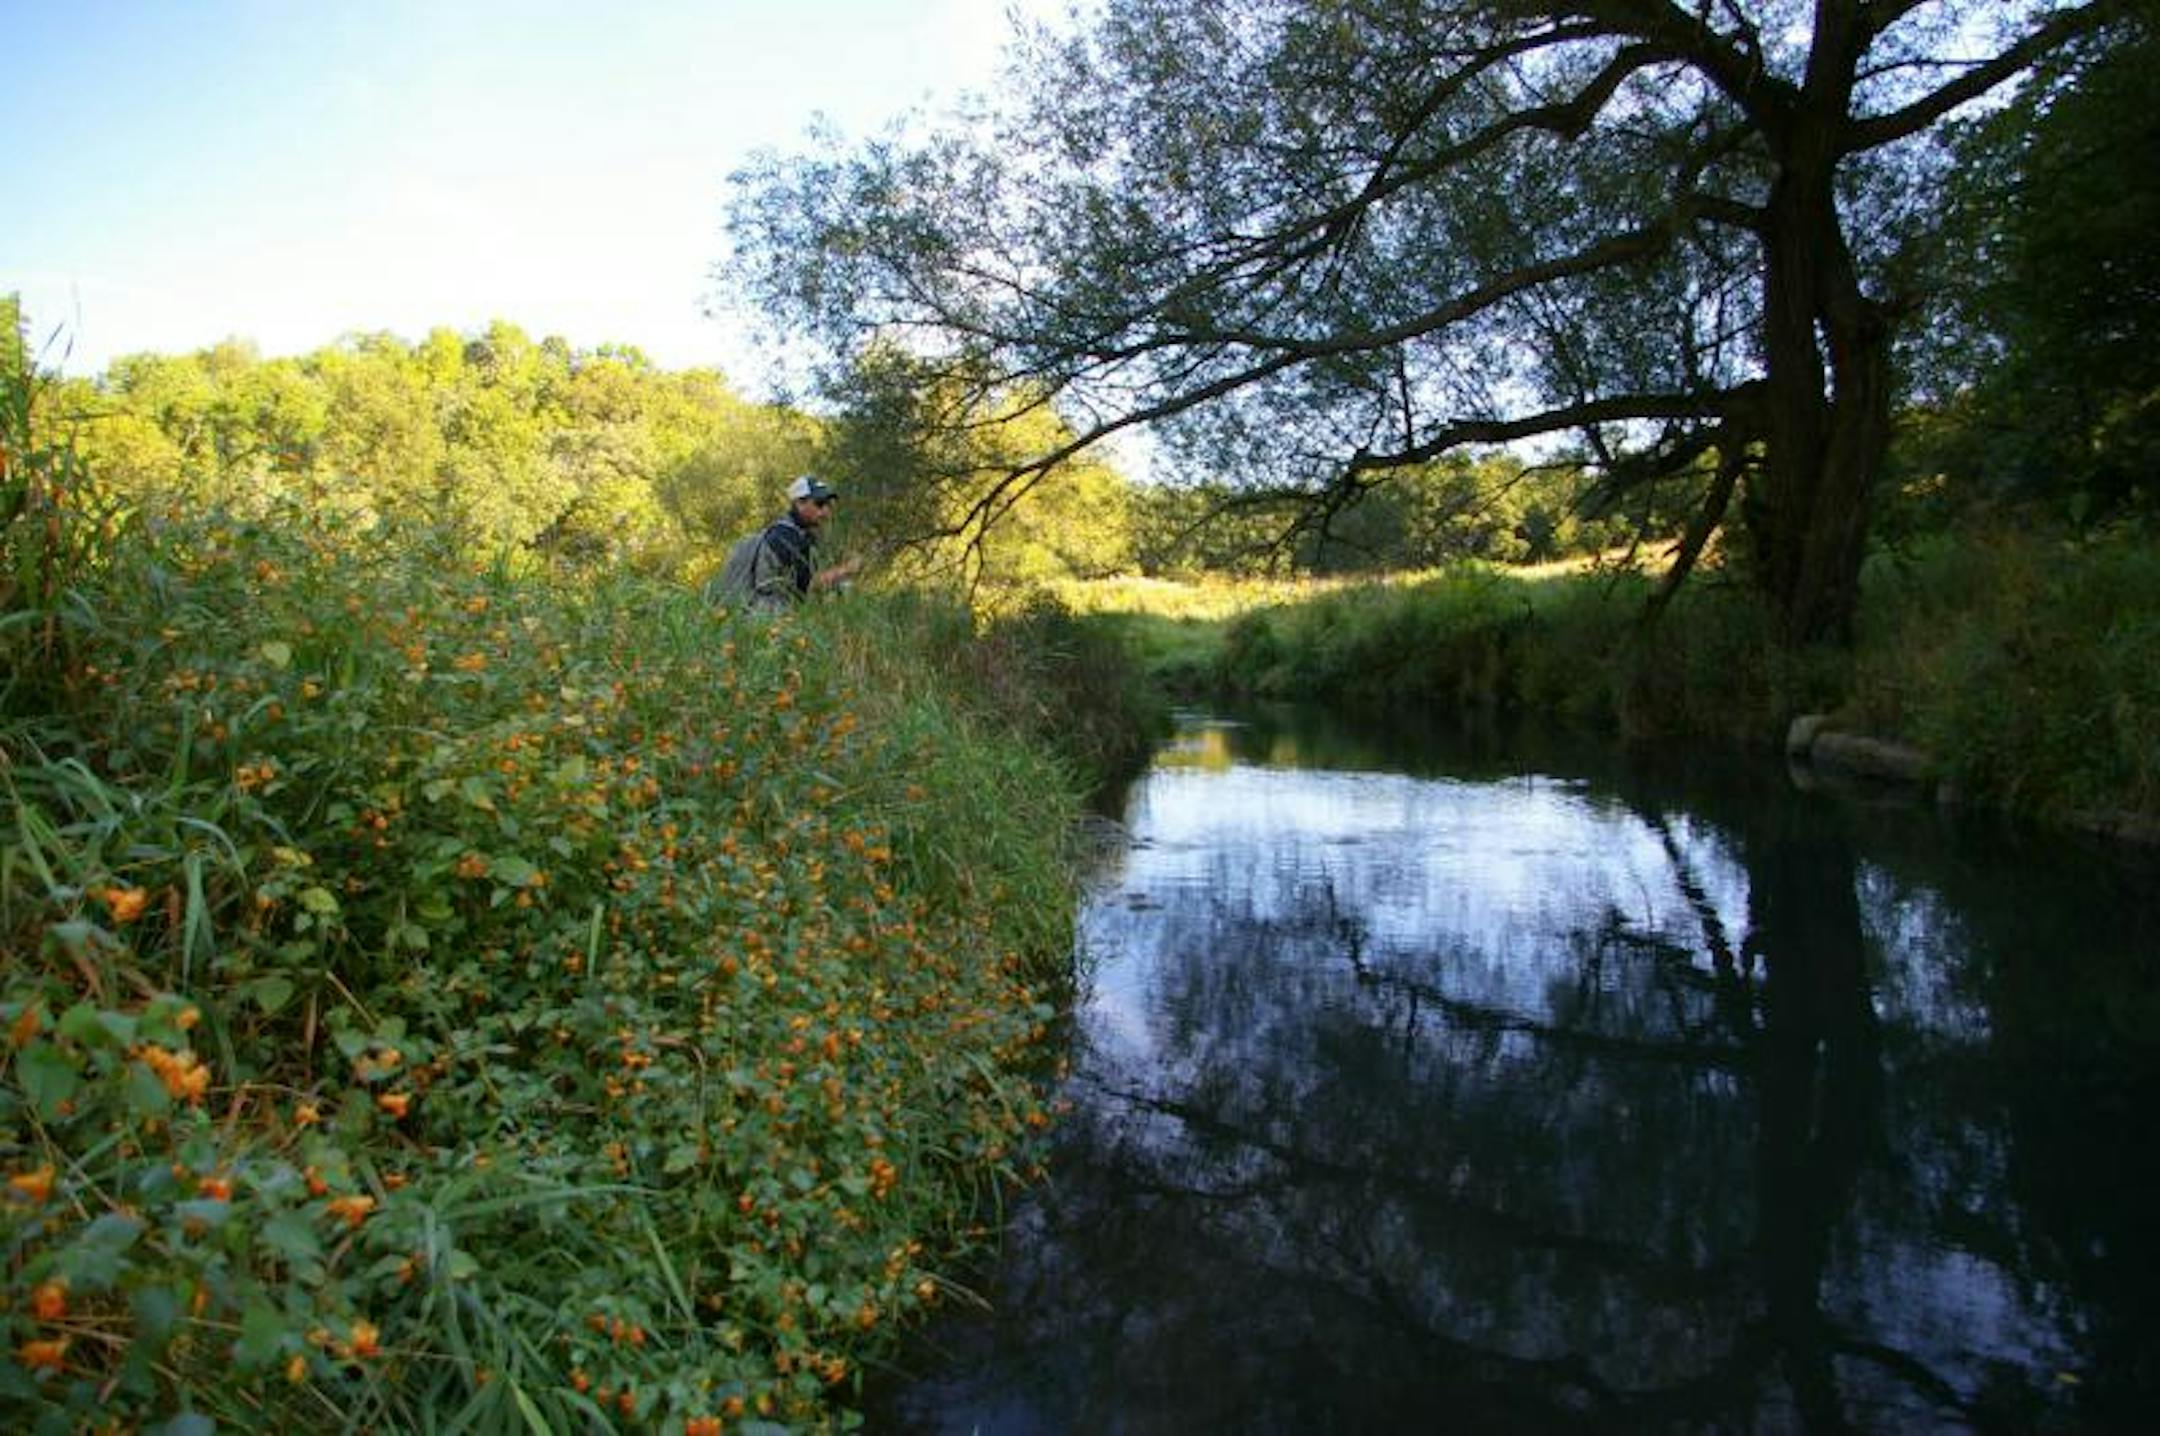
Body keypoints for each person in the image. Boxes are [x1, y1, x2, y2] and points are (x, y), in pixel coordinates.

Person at [712, 474, 862, 612]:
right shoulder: (787, 539)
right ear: (799, 503)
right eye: (819, 504)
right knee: (843, 587)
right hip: (765, 614)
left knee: (842, 587)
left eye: (828, 505)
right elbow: (810, 586)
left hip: (758, 609)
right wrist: (847, 569)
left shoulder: (790, 531)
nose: (826, 512)